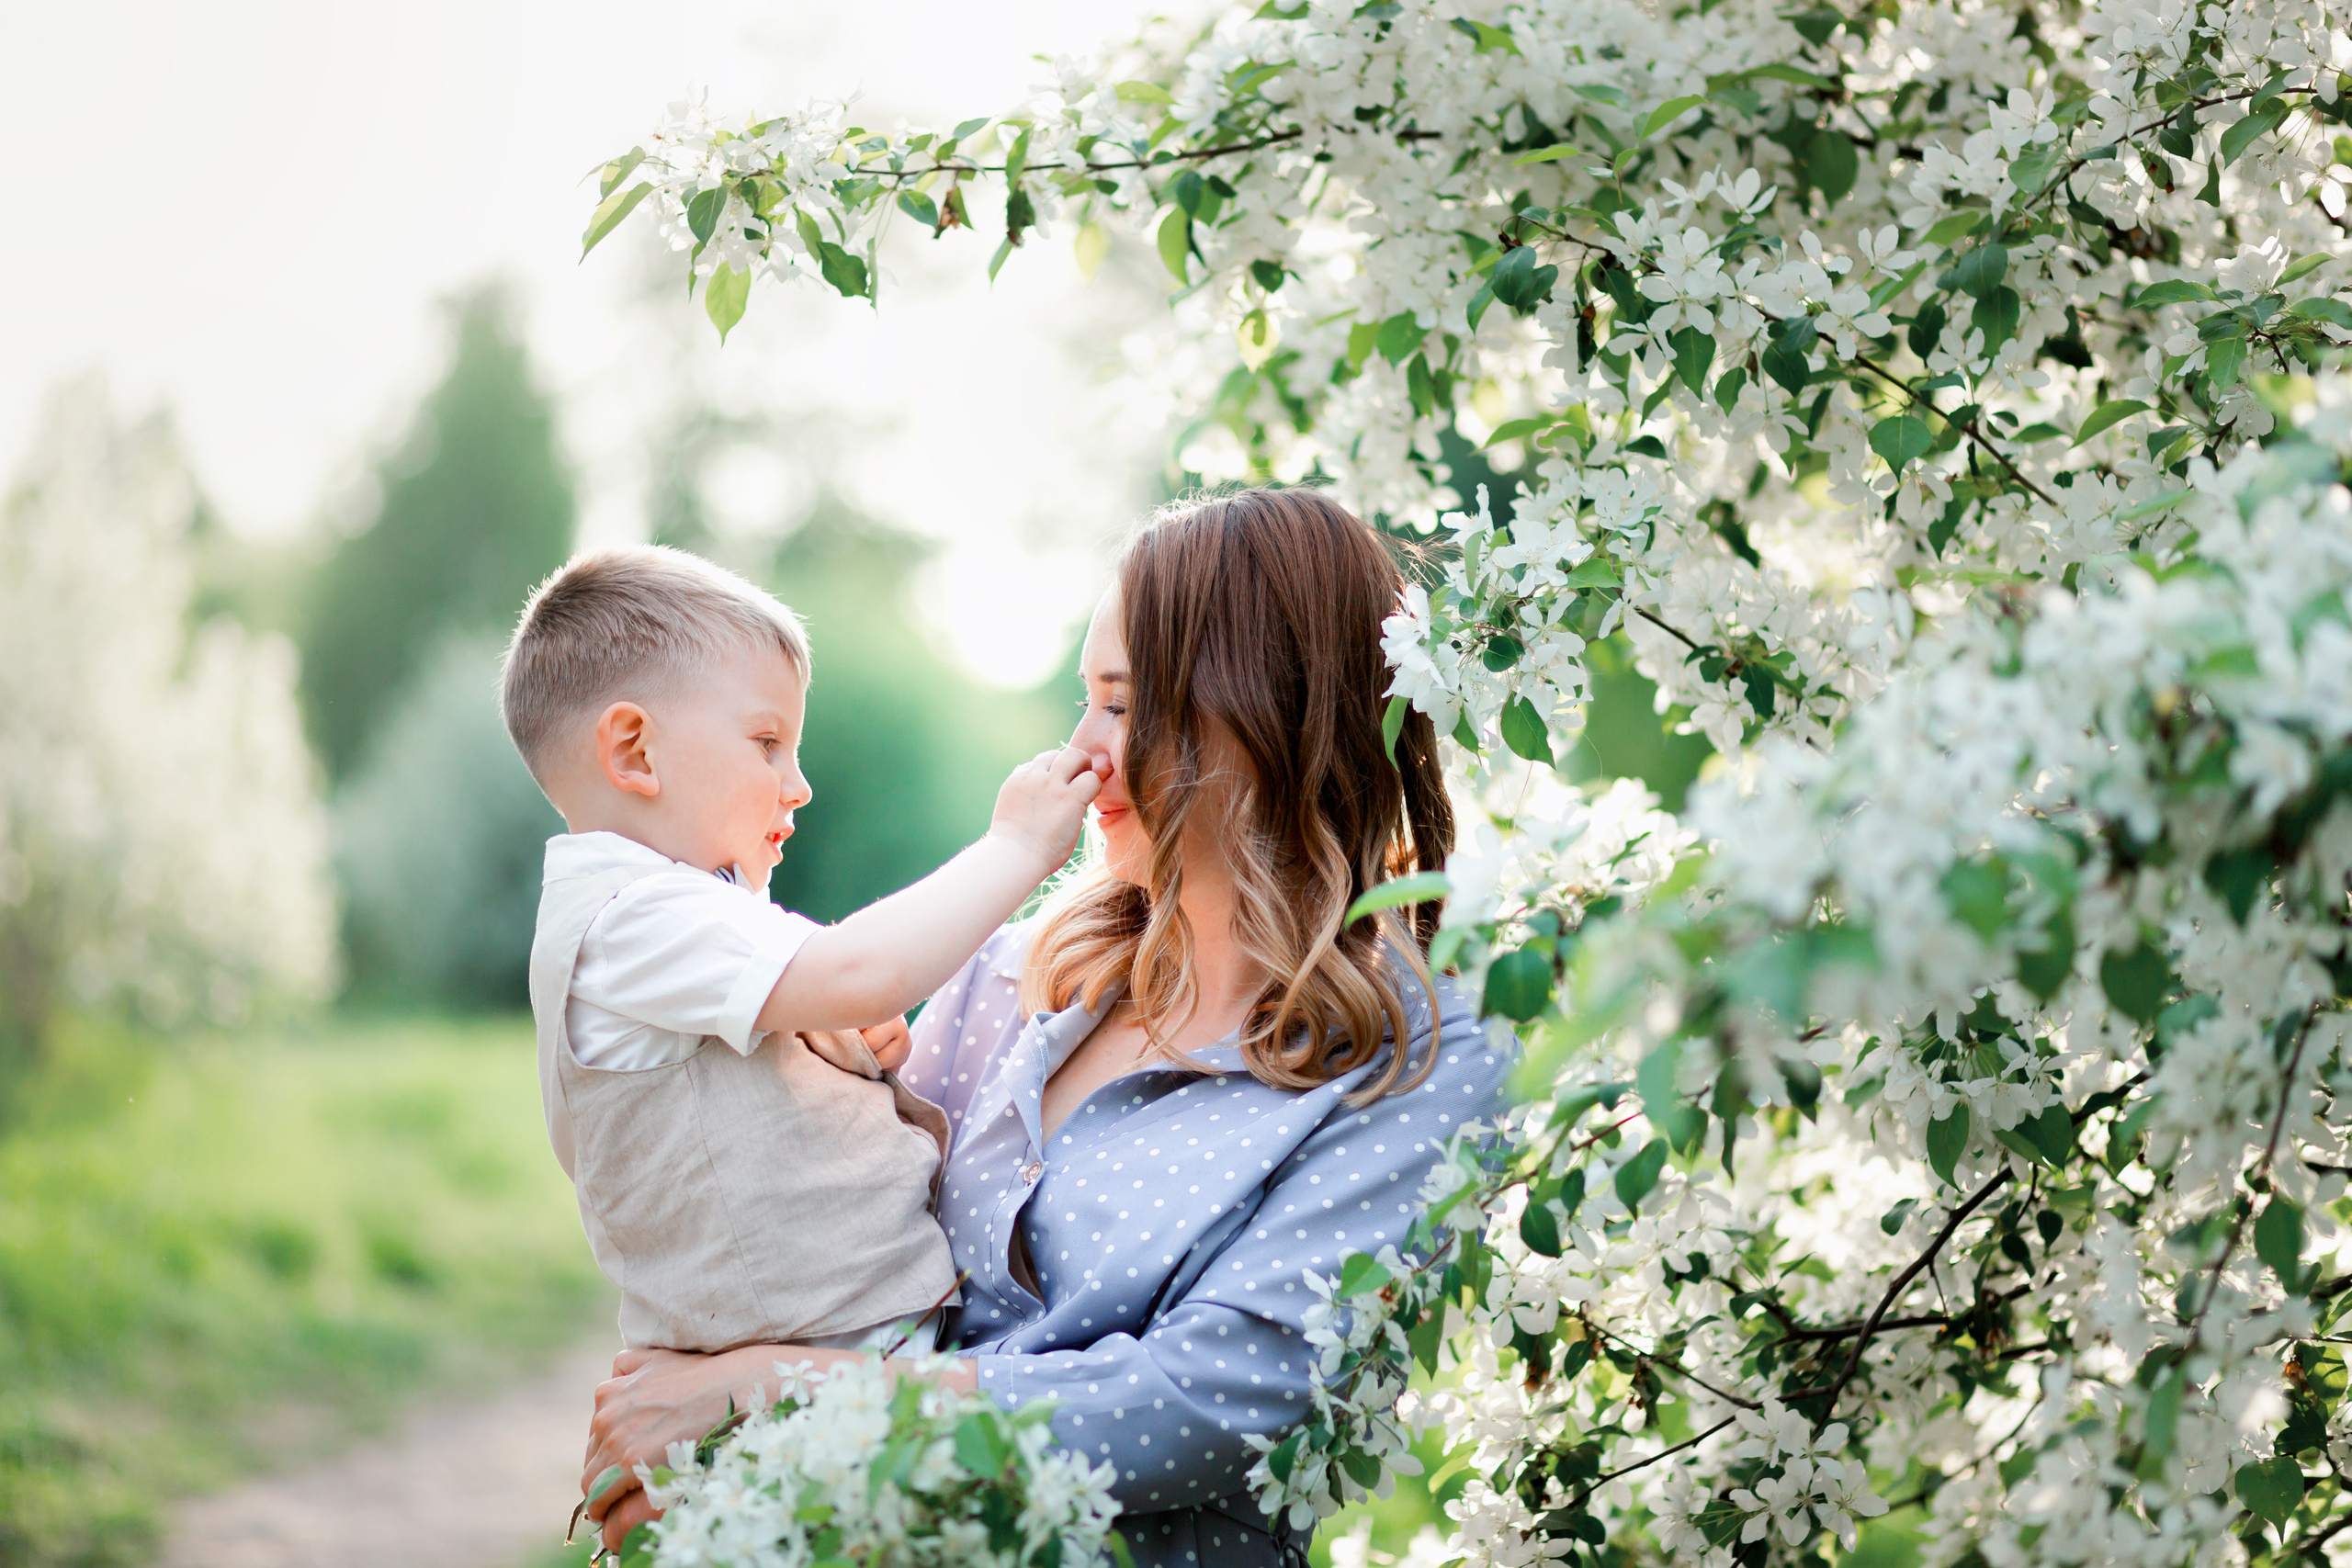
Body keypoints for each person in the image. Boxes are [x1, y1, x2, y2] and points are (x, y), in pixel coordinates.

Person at [579, 491, 1512, 1565]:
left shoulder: (1425, 1052)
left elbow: (1212, 1405)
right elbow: (843, 1230)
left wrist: (780, 1398)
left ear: (1259, 714)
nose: (1080, 752)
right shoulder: (1020, 970)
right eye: (1086, 701)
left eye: (1120, 707)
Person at [502, 545, 1102, 1357]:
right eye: (766, 741)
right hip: (804, 1365)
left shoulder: (684, 912)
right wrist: (1018, 846)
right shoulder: (631, 916)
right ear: (636, 751)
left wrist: (844, 1035)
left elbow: (830, 991)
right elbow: (861, 969)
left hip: (845, 1341)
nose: (799, 783)